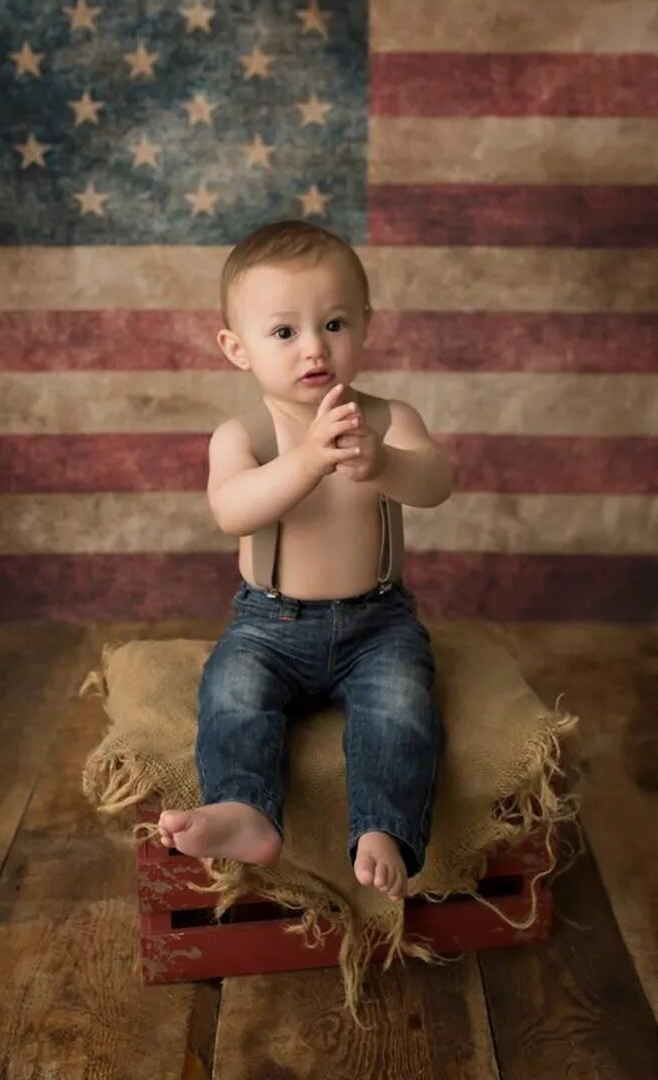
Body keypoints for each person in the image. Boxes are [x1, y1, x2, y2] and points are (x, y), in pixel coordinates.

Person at [158, 221, 454, 900]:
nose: (314, 348)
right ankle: (244, 809)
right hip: (270, 625)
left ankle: (385, 827)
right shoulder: (244, 435)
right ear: (238, 348)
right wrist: (308, 460)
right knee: (232, 692)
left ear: (367, 325)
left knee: (402, 706)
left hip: (377, 624)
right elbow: (233, 510)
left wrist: (382, 463)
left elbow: (435, 483)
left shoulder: (386, 421)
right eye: (284, 332)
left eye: (335, 323)